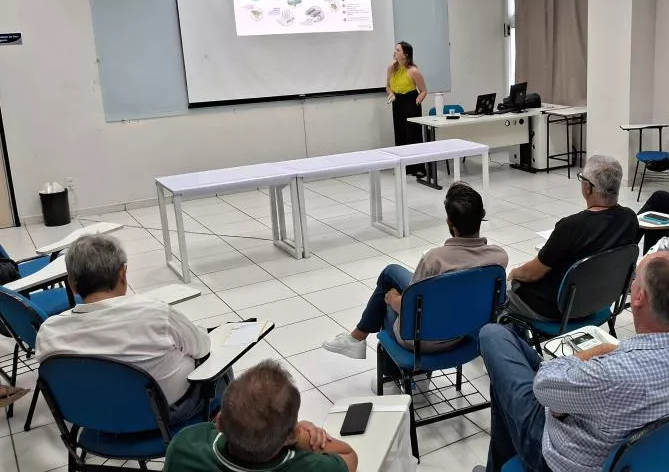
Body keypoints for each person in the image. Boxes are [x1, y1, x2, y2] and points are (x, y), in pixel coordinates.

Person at [474, 251, 669, 472]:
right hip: (647, 457)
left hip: (561, 458)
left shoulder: (612, 375)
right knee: (507, 386)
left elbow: (543, 387)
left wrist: (595, 351)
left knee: (493, 335)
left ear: (639, 297)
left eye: (636, 278)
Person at [35, 234, 214, 423]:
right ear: (123, 274)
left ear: (72, 286)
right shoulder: (157, 315)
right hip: (164, 419)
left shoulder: (49, 332)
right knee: (215, 363)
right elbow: (202, 346)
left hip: (94, 421)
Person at [322, 182, 508, 359]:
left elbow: (411, 308)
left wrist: (393, 299)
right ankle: (357, 339)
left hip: (422, 341)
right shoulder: (498, 258)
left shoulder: (434, 260)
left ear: (449, 222)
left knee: (389, 291)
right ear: (482, 216)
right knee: (395, 273)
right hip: (466, 331)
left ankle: (375, 359)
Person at [506, 155, 640, 321]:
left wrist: (513, 273)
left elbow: (532, 274)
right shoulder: (629, 218)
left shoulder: (571, 226)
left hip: (557, 308)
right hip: (599, 301)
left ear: (587, 187)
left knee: (502, 292)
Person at [164, 360, 358, 472]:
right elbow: (349, 456)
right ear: (290, 436)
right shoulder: (312, 467)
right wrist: (300, 436)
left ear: (219, 421)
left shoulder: (185, 446)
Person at [387, 41, 429, 177]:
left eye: (398, 50)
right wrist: (391, 94)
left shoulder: (413, 71)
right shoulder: (391, 69)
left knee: (413, 135)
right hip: (397, 102)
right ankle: (405, 166)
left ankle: (419, 167)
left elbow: (423, 90)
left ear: (405, 55)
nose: (395, 52)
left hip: (411, 101)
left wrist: (417, 101)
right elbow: (387, 86)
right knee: (400, 133)